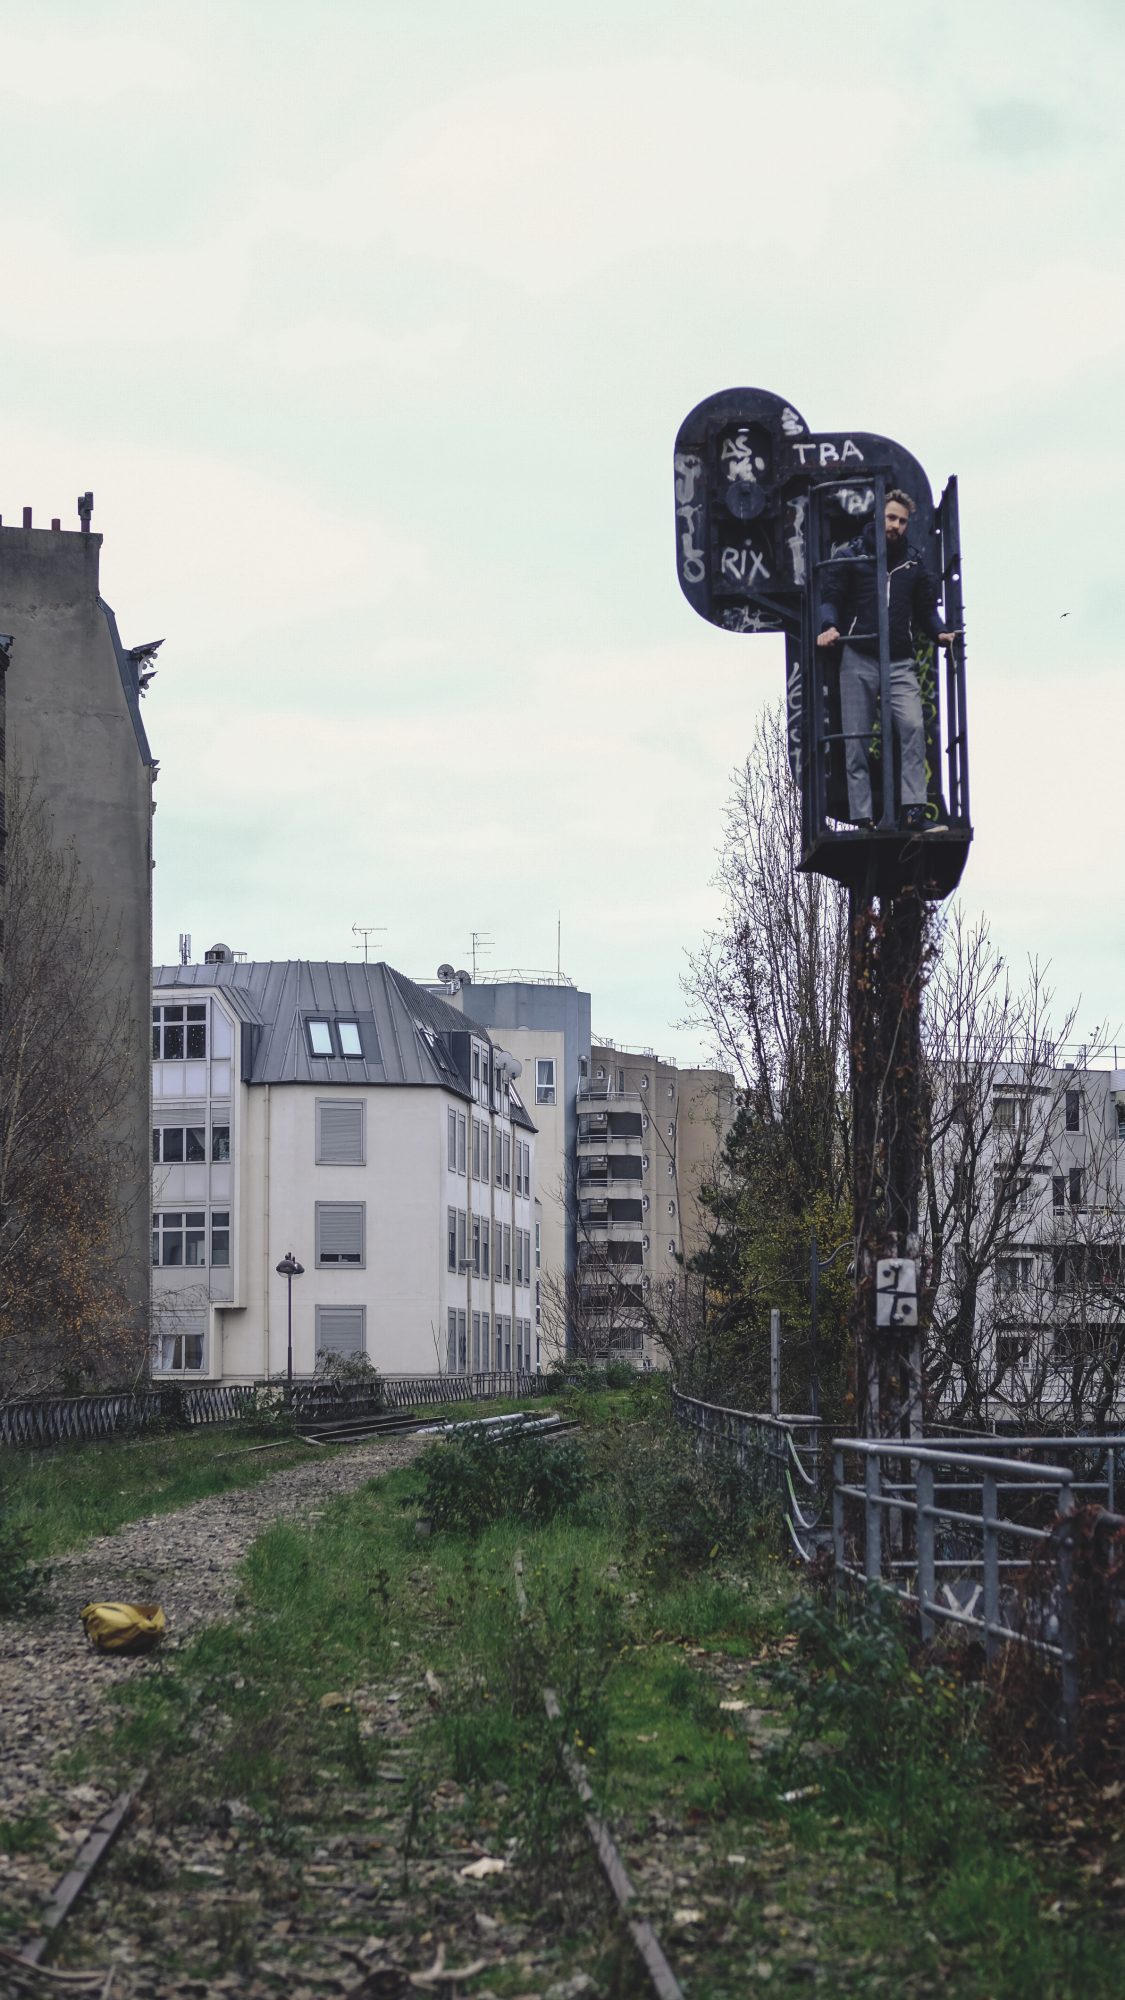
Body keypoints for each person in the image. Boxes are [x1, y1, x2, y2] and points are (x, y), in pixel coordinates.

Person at [817, 490, 956, 832]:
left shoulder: (912, 563)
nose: (895, 525)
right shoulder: (852, 556)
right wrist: (829, 627)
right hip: (858, 656)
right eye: (891, 518)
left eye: (902, 521)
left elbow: (926, 609)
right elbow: (831, 597)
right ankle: (862, 818)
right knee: (855, 739)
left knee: (912, 727)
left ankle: (913, 812)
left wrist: (940, 632)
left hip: (898, 661)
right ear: (878, 517)